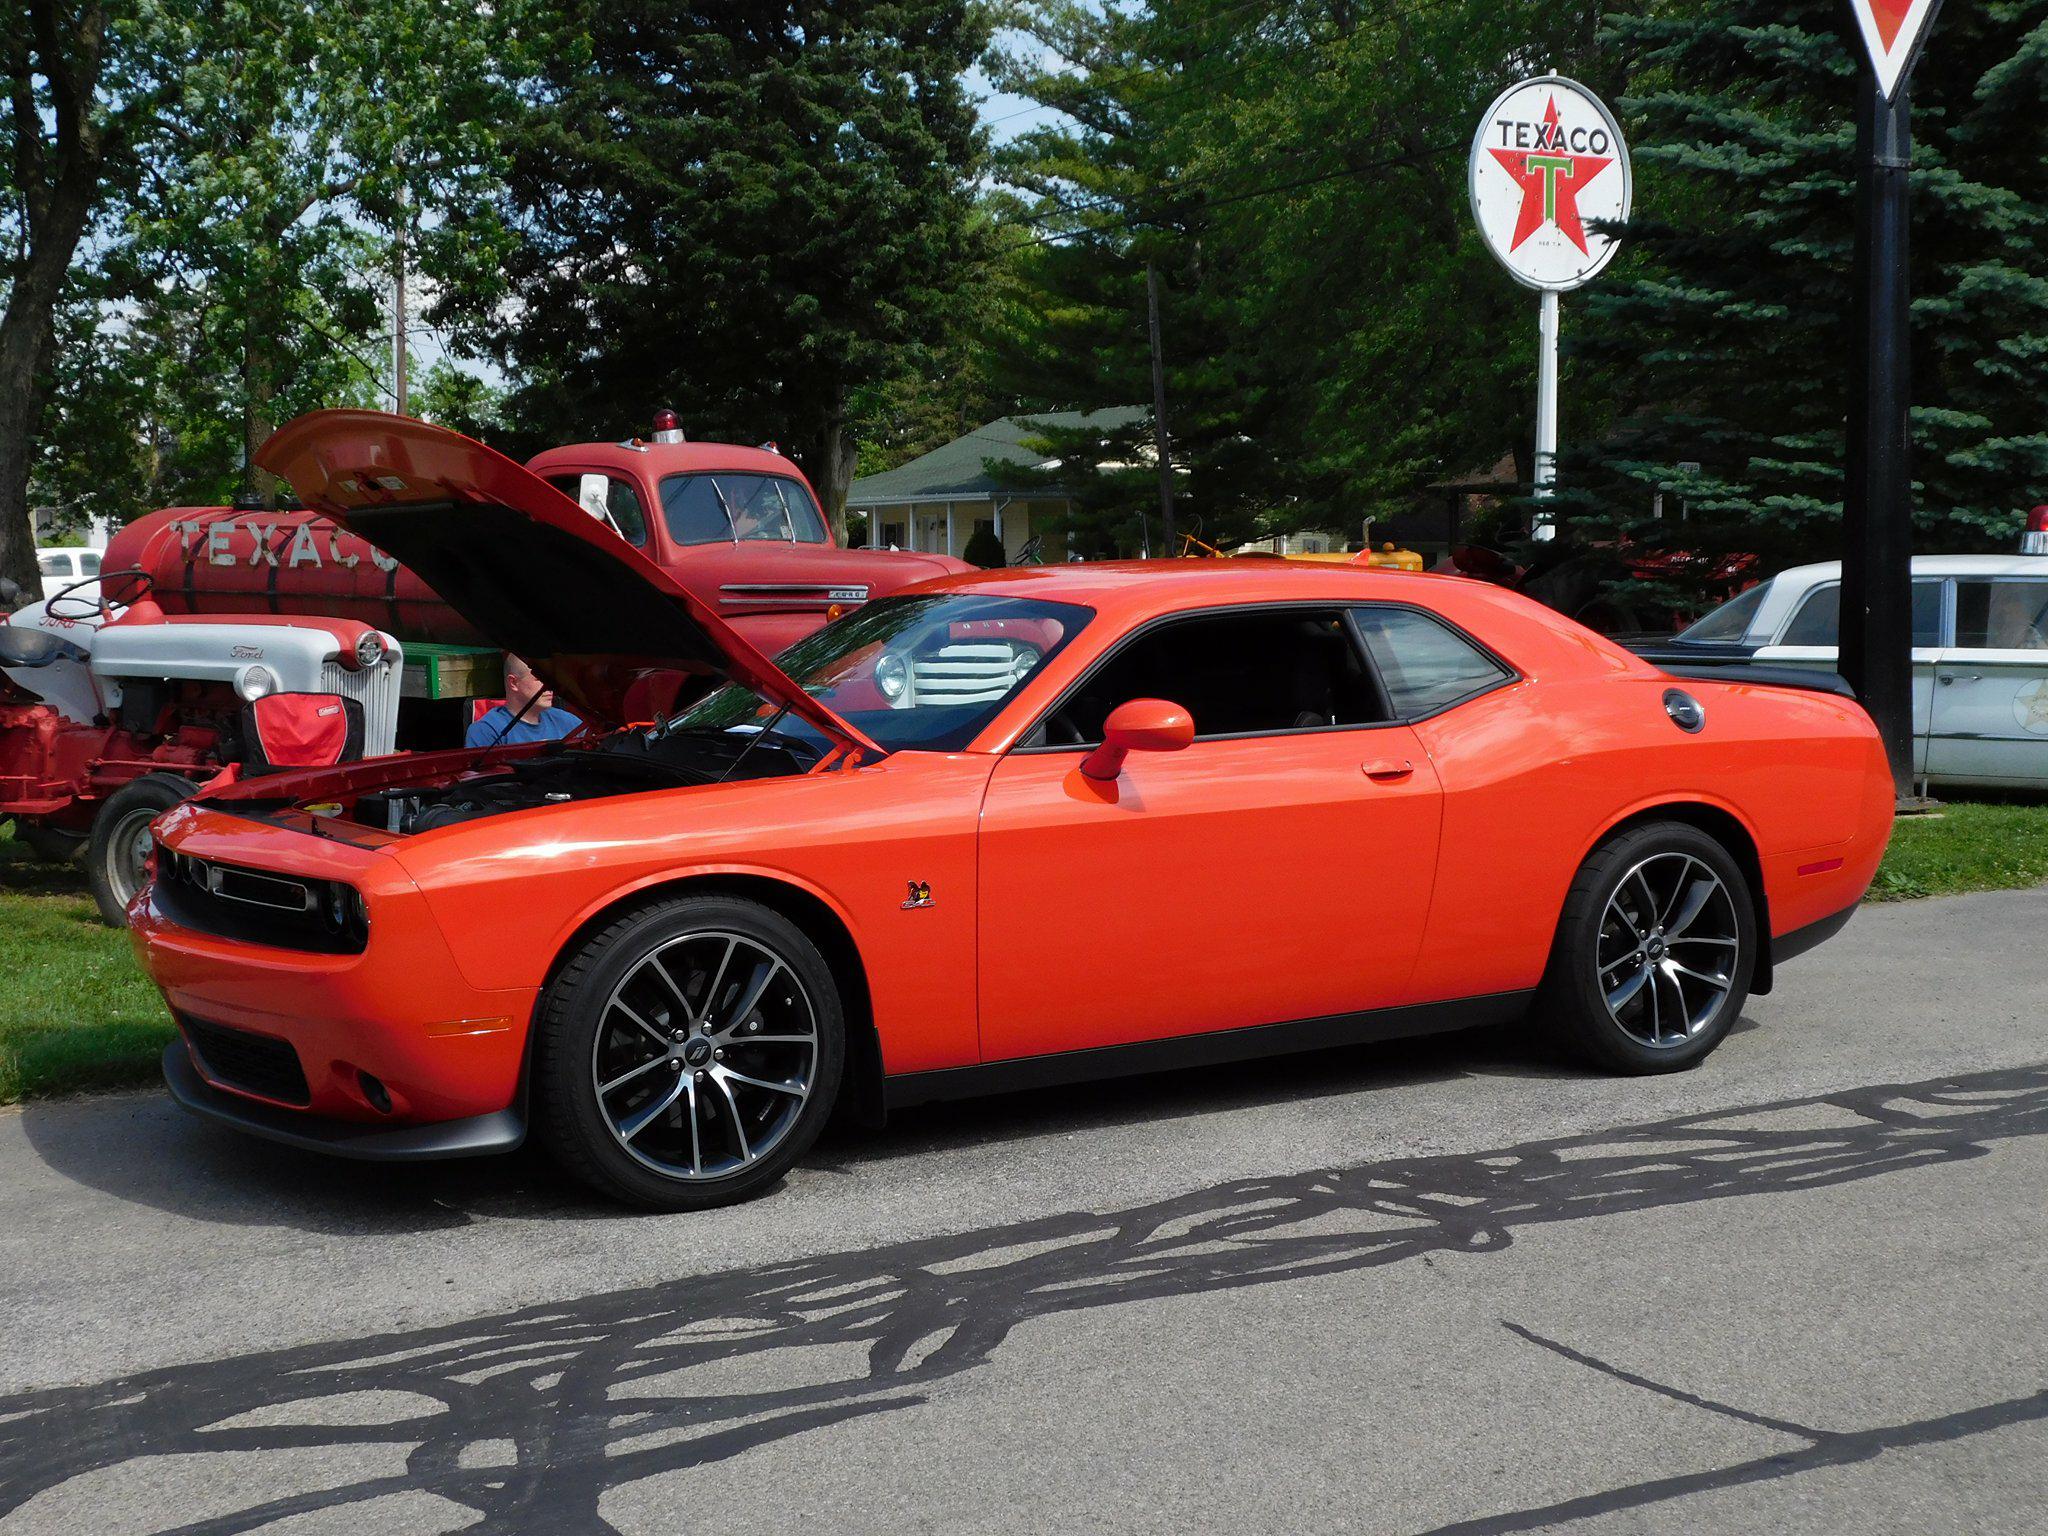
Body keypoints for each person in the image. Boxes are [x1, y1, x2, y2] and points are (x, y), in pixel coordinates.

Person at [465, 654, 583, 747]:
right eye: (540, 678)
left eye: (550, 678)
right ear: (513, 683)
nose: (550, 686)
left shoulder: (570, 723)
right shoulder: (487, 731)